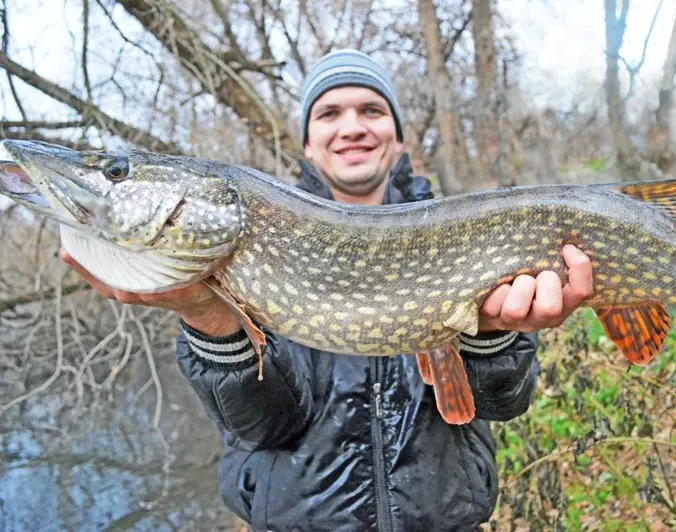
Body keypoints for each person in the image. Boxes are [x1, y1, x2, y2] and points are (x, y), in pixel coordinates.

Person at [61, 49, 594, 531]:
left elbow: (503, 402)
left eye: (372, 110)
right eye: (329, 114)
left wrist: (491, 337)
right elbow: (264, 428)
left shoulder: (472, 234)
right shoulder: (246, 243)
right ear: (309, 147)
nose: (352, 127)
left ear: (399, 136)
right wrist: (210, 319)